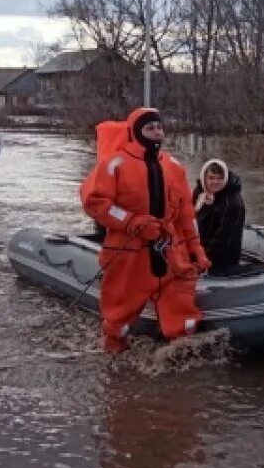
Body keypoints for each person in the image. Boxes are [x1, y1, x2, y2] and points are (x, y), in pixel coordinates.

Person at [80, 107, 211, 354]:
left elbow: (186, 215)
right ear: (136, 132)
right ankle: (114, 359)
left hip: (171, 250)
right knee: (120, 313)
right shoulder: (114, 164)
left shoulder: (174, 167)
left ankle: (180, 360)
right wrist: (132, 221)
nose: (156, 132)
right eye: (149, 128)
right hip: (129, 250)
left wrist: (196, 249)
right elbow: (96, 203)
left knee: (181, 308)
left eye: (159, 127)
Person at [192, 159, 246, 274]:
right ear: (204, 178)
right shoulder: (199, 194)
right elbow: (192, 220)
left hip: (223, 258)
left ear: (225, 178)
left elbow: (224, 237)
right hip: (199, 248)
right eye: (211, 178)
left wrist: (204, 258)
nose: (215, 182)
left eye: (220, 178)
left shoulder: (233, 203)